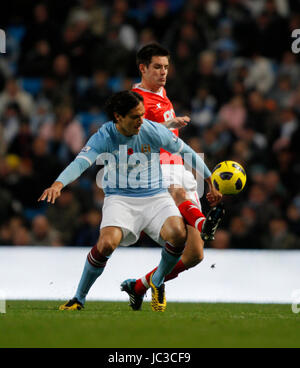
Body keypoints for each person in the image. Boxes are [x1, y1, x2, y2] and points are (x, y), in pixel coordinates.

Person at [38, 91, 223, 312]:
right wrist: (58, 184)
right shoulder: (104, 136)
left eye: (143, 115)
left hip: (155, 195)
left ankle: (157, 280)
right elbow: (81, 162)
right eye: (136, 116)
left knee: (178, 234)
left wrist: (210, 178)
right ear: (118, 117)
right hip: (120, 199)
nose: (141, 121)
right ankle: (79, 298)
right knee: (106, 244)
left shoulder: (151, 130)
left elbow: (186, 151)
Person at [121, 43, 225, 310]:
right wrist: (168, 125)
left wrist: (206, 178)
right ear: (142, 68)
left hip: (176, 163)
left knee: (195, 255)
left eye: (166, 67)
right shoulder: (134, 100)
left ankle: (141, 285)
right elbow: (132, 132)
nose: (163, 72)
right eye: (157, 67)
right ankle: (204, 224)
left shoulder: (162, 92)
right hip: (152, 167)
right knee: (177, 192)